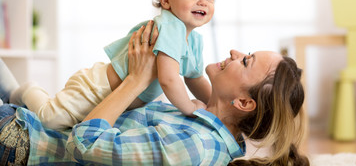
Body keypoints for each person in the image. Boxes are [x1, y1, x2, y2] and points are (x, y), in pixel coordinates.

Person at [0, 22, 309, 165]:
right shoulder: (200, 116)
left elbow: (85, 143)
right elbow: (189, 76)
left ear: (243, 102)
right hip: (25, 124)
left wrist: (134, 81)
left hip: (22, 142)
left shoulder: (194, 145)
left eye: (246, 60)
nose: (235, 51)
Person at [9, 0, 216, 130]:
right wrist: (189, 107)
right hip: (97, 88)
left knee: (69, 128)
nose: (203, 1)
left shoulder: (194, 41)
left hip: (116, 100)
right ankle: (27, 90)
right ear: (166, 0)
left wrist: (213, 107)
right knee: (50, 119)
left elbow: (195, 78)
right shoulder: (171, 26)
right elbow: (169, 79)